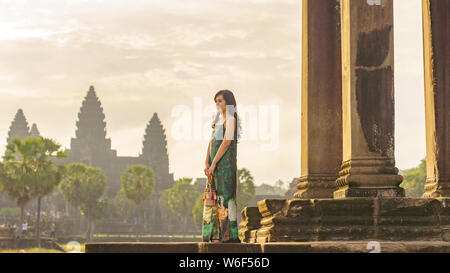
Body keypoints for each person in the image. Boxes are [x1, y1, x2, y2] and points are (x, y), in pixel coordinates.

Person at [202, 89, 241, 243]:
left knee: (225, 198)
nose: (217, 104)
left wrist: (214, 163)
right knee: (212, 197)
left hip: (225, 165)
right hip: (213, 165)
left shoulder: (231, 119)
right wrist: (206, 162)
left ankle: (227, 235)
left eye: (220, 101)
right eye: (216, 101)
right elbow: (211, 143)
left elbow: (226, 143)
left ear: (228, 102)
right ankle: (212, 235)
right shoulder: (217, 120)